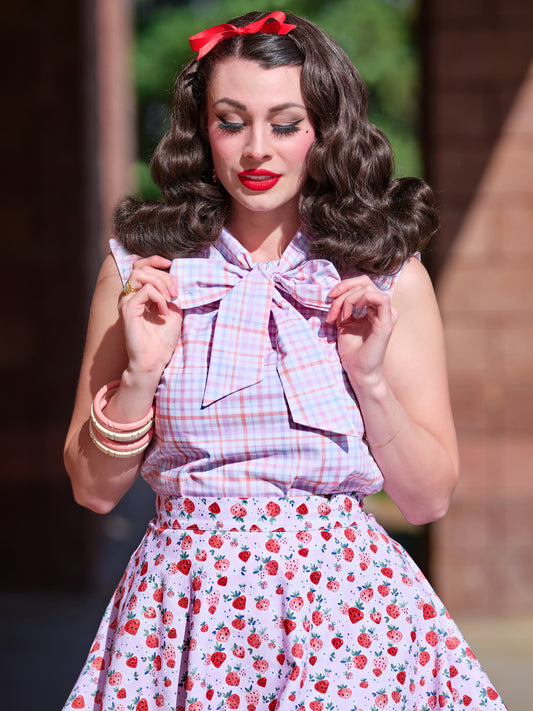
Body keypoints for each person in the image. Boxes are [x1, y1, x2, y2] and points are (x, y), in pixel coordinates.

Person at [63, 11, 506, 711]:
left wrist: (369, 382)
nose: (256, 149)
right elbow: (93, 487)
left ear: (324, 130)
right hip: (183, 623)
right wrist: (141, 376)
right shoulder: (141, 270)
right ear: (200, 131)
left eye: (285, 122)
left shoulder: (387, 277)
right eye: (231, 121)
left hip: (351, 630)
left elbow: (427, 498)